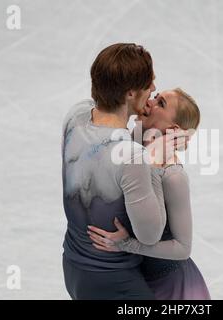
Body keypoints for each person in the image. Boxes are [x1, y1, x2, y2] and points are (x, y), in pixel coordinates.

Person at [61, 43, 189, 299]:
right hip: (113, 283)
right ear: (131, 93)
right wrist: (153, 163)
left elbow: (103, 152)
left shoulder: (75, 117)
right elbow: (150, 235)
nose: (153, 89)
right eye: (148, 84)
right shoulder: (132, 156)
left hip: (73, 266)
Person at [88, 88, 211, 300]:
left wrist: (127, 245)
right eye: (155, 97)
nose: (150, 103)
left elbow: (183, 248)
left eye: (160, 103)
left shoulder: (172, 176)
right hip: (133, 278)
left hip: (172, 288)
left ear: (172, 128)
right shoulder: (132, 144)